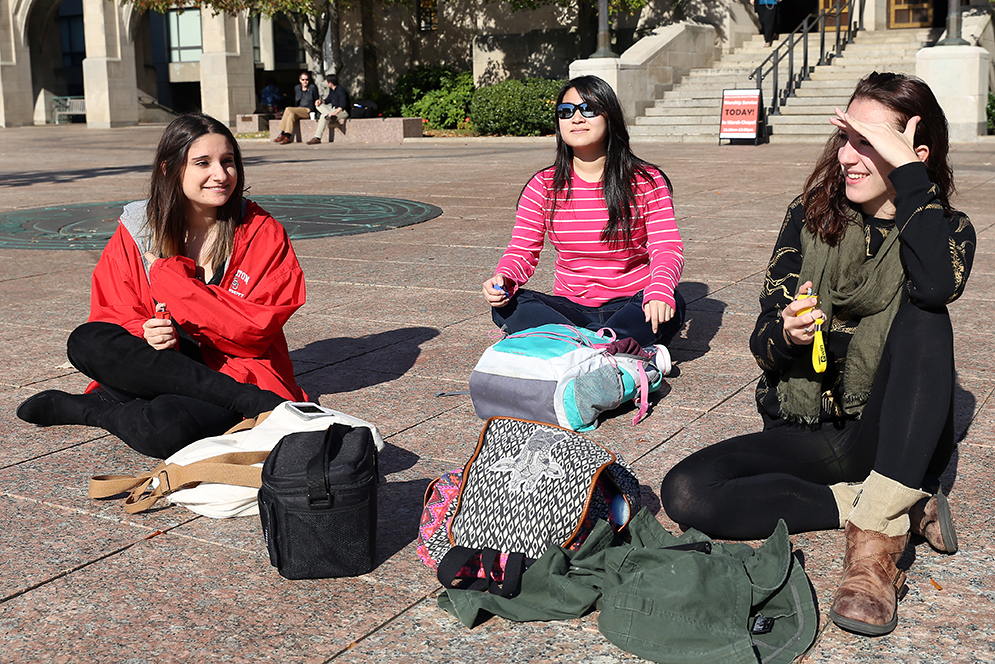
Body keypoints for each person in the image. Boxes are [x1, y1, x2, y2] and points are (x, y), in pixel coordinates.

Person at [659, 72, 975, 637]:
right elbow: (762, 345)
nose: (848, 157)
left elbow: (935, 287)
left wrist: (911, 183)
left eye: (869, 142)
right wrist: (785, 335)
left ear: (912, 155)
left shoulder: (946, 230)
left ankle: (876, 544)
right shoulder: (809, 219)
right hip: (808, 430)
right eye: (845, 138)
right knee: (686, 490)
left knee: (928, 314)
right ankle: (884, 505)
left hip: (889, 437)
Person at [17, 113, 307, 459]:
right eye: (203, 163)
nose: (221, 174)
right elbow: (110, 311)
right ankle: (244, 401)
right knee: (85, 340)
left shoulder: (261, 231)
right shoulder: (139, 229)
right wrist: (144, 331)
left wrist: (171, 279)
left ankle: (92, 410)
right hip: (159, 364)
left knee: (165, 429)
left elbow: (252, 330)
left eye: (228, 162)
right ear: (170, 170)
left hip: (231, 370)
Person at [482, 75, 685, 368]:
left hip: (630, 304)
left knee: (672, 303)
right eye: (566, 112)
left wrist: (660, 290)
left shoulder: (646, 181)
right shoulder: (543, 185)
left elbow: (666, 247)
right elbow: (522, 251)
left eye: (588, 109)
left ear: (610, 116)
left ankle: (570, 350)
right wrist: (504, 278)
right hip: (570, 308)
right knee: (508, 305)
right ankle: (614, 352)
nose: (576, 118)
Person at [273, 71, 321, 144]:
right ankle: (288, 136)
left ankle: (282, 133)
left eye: (306, 79)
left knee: (288, 109)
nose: (305, 81)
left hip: (308, 110)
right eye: (303, 80)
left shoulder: (312, 88)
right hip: (298, 109)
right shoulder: (297, 88)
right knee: (291, 114)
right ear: (300, 80)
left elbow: (316, 98)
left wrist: (318, 101)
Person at [307, 74, 350, 145]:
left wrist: (335, 113)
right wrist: (320, 101)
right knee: (318, 105)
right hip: (332, 110)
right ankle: (329, 116)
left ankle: (317, 138)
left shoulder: (341, 90)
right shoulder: (332, 90)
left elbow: (342, 105)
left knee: (323, 116)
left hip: (341, 111)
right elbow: (328, 100)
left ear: (330, 83)